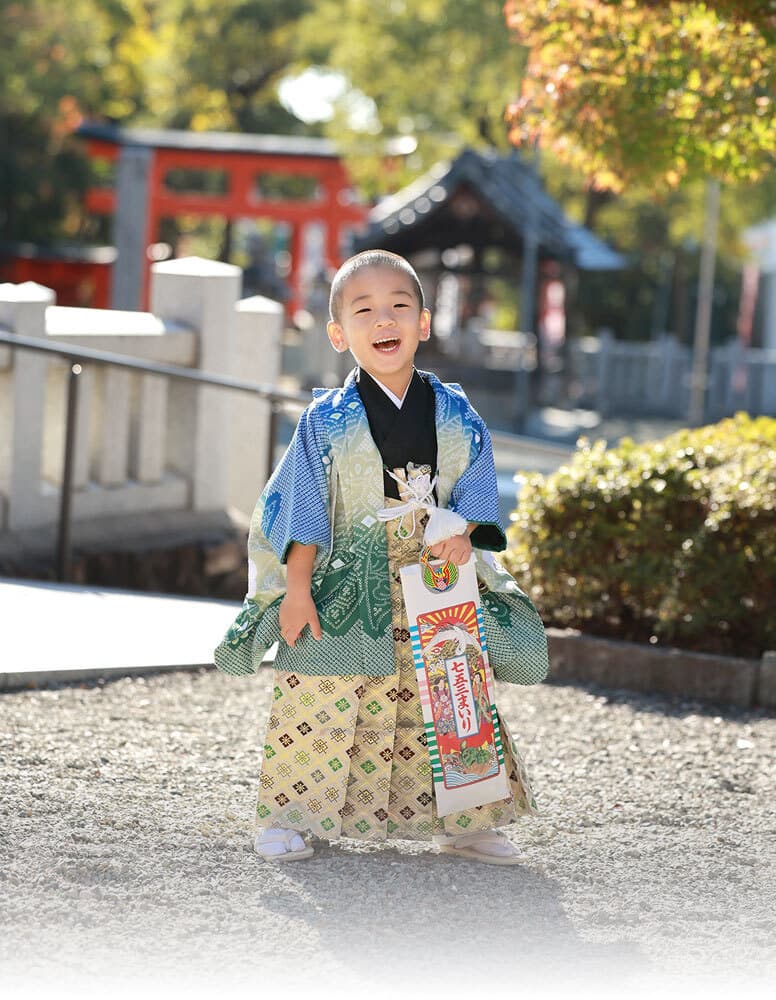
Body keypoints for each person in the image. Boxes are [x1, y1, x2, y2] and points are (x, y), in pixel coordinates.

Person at [214, 250, 548, 864]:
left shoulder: (454, 411)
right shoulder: (325, 421)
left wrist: (466, 527)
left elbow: (478, 481)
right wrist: (295, 589)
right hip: (346, 578)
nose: (383, 319)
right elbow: (302, 506)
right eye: (363, 309)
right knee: (322, 691)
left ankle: (467, 820)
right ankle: (290, 816)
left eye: (399, 305)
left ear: (423, 323)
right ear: (339, 333)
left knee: (450, 694)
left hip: (438, 570)